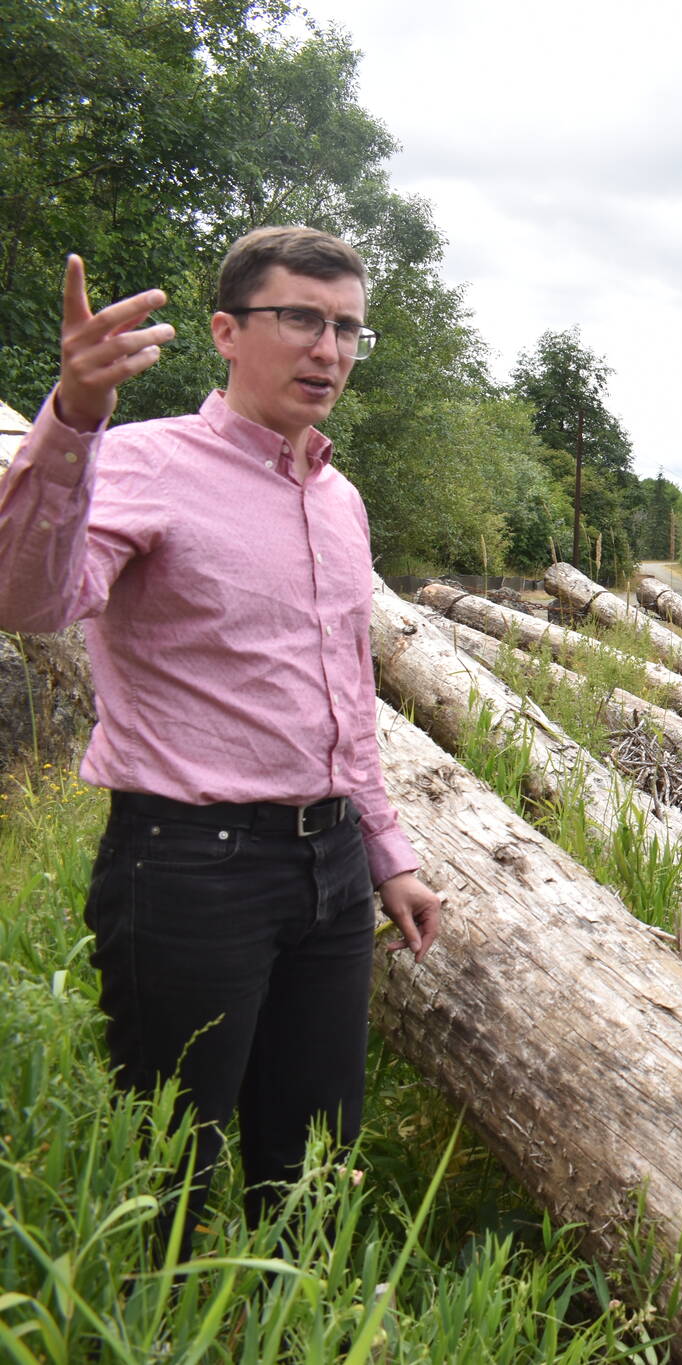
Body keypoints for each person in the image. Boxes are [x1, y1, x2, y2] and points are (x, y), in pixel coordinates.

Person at [0, 226, 442, 1240]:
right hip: (190, 869)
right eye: (300, 320)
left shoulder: (337, 497)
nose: (327, 350)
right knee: (173, 1179)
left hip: (329, 869)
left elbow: (344, 696)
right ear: (225, 333)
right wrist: (72, 418)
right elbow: (24, 602)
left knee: (314, 1162)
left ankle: (299, 1337)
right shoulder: (141, 462)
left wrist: (386, 854)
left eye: (346, 329)